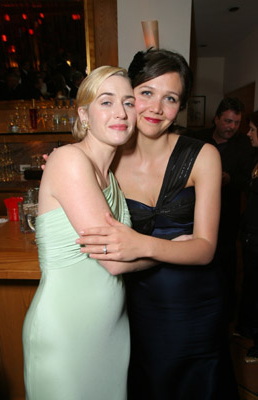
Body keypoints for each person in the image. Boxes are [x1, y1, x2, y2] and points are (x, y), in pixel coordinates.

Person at [77, 48, 239, 399]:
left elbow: (205, 249)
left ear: (180, 106)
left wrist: (142, 245)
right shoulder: (108, 159)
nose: (156, 108)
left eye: (170, 98)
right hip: (139, 307)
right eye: (146, 93)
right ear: (129, 94)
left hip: (198, 306)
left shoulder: (203, 155)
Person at [22, 65, 137, 400]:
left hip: (111, 330)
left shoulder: (110, 175)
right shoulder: (70, 160)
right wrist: (175, 252)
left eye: (128, 102)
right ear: (84, 114)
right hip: (67, 334)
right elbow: (113, 260)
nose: (120, 112)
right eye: (107, 102)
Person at [186, 97, 254, 322]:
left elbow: (248, 179)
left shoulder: (244, 144)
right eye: (227, 121)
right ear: (216, 119)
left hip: (228, 217)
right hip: (194, 214)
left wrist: (228, 178)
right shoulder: (197, 139)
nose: (232, 127)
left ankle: (225, 314)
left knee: (225, 267)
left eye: (236, 122)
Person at [236, 110, 258, 363]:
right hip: (251, 237)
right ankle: (248, 331)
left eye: (253, 129)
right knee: (251, 288)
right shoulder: (254, 158)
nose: (248, 133)